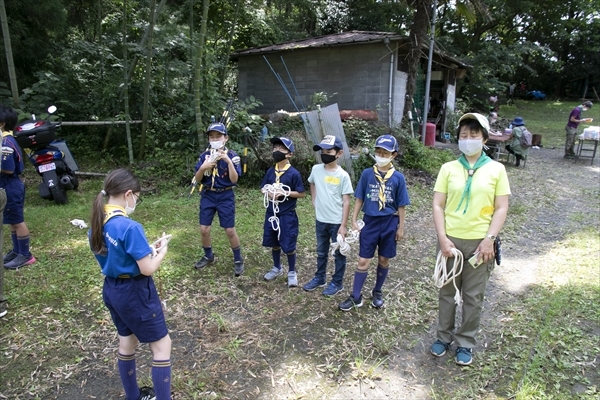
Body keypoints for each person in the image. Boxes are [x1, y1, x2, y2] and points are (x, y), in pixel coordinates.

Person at [430, 113, 510, 366]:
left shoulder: (497, 169)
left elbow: (501, 208)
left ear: (484, 139)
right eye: (464, 135)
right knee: (447, 292)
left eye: (474, 135)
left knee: (473, 296)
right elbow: (437, 205)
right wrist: (442, 238)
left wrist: (489, 239)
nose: (468, 140)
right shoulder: (448, 169)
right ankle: (443, 337)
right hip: (450, 242)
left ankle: (465, 342)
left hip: (480, 244)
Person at [89, 168, 172, 400]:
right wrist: (161, 251)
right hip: (135, 293)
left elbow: (114, 255)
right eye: (137, 196)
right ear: (128, 194)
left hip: (112, 290)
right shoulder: (130, 227)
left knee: (127, 341)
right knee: (162, 346)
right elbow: (146, 268)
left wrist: (147, 250)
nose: (136, 201)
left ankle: (133, 396)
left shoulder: (97, 222)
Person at [338, 134, 410, 311]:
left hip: (390, 222)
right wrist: (354, 219)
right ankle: (356, 296)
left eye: (385, 153)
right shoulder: (367, 174)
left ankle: (377, 291)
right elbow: (359, 198)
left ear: (394, 155)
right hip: (370, 222)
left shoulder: (398, 178)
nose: (381, 155)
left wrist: (401, 227)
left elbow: (401, 205)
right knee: (363, 260)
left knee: (384, 259)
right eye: (378, 151)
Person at [302, 135, 354, 296]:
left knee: (339, 253)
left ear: (339, 153)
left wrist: (343, 226)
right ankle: (320, 278)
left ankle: (337, 282)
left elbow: (346, 201)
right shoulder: (316, 169)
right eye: (322, 150)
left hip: (337, 222)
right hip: (321, 220)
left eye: (329, 151)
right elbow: (312, 182)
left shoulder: (343, 175)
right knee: (321, 251)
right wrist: (313, 199)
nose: (325, 153)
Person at [193, 122, 244, 276]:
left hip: (225, 195)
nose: (215, 139)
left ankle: (238, 259)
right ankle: (208, 256)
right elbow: (197, 179)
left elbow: (234, 179)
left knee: (229, 230)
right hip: (208, 194)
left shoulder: (233, 156)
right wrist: (203, 167)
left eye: (218, 136)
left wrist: (227, 161)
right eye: (211, 137)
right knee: (204, 229)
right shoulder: (204, 156)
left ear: (225, 138)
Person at [261, 137, 306, 287]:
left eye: (281, 149)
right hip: (272, 213)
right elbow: (263, 188)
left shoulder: (294, 173)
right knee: (274, 242)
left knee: (288, 243)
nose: (276, 151)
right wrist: (269, 193)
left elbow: (301, 193)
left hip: (287, 214)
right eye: (275, 148)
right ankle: (277, 267)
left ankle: (292, 271)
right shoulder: (270, 171)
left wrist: (284, 193)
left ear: (290, 154)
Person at [0, 105, 35, 270]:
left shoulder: (6, 142)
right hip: (8, 185)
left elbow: (8, 168)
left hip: (10, 185)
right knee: (12, 221)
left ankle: (26, 255)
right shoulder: (6, 139)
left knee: (18, 221)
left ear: (2, 124)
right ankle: (16, 251)